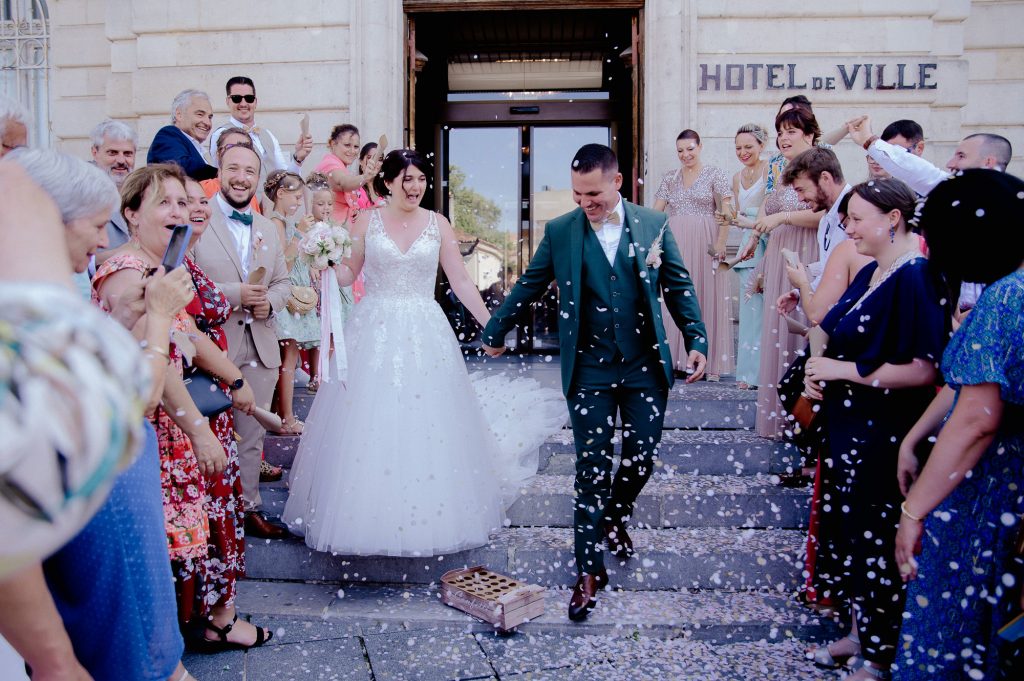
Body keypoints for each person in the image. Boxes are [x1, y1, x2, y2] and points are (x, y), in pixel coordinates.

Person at [282, 149, 564, 558]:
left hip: (424, 329)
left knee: (427, 419)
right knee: (366, 417)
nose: (415, 187)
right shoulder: (366, 220)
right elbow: (349, 273)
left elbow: (462, 281)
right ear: (389, 182)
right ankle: (365, 510)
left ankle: (428, 512)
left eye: (421, 179)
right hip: (373, 328)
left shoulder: (438, 224)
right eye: (407, 179)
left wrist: (492, 324)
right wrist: (324, 263)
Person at [481, 143, 708, 621]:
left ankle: (614, 516)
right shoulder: (562, 230)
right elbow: (529, 282)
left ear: (618, 182)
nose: (586, 202)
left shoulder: (652, 224)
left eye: (594, 193)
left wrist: (696, 339)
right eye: (578, 193)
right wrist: (495, 328)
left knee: (641, 456)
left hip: (645, 365)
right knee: (590, 468)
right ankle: (587, 571)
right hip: (589, 368)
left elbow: (679, 286)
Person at [0, 154, 199, 681]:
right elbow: (139, 397)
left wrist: (127, 315)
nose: (101, 241)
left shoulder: (49, 292)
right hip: (101, 526)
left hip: (115, 509)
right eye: (94, 226)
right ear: (48, 221)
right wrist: (157, 318)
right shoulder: (22, 313)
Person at [802, 178, 949, 680]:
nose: (848, 227)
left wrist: (844, 373)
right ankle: (861, 631)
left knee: (879, 538)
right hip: (848, 429)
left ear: (893, 219)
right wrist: (816, 369)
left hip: (885, 432)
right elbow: (829, 329)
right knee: (853, 537)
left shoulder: (916, 277)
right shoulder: (875, 272)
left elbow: (926, 368)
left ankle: (883, 652)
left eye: (857, 218)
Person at [893, 169, 1024, 680]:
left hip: (996, 489)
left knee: (963, 618)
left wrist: (914, 508)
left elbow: (977, 420)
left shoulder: (1006, 297)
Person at [192, 143, 292, 539]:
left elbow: (283, 283)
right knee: (211, 434)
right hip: (214, 346)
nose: (241, 178)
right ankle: (206, 516)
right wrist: (236, 293)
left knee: (251, 436)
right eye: (233, 169)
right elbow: (187, 280)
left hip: (262, 343)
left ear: (257, 176)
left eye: (249, 171)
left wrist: (270, 301)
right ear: (221, 170)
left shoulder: (267, 227)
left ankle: (248, 508)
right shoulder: (199, 218)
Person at [749, 107, 822, 438]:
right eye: (780, 132)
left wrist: (783, 219)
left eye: (791, 131)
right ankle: (777, 417)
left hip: (806, 251)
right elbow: (768, 208)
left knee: (801, 329)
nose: (783, 138)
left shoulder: (821, 165)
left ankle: (803, 418)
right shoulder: (781, 168)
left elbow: (829, 214)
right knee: (776, 329)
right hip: (778, 253)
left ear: (809, 134)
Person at [653, 129, 734, 380]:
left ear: (700, 147)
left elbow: (726, 212)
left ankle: (711, 363)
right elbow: (656, 214)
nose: (685, 155)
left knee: (706, 295)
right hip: (675, 241)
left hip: (705, 240)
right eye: (680, 151)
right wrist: (654, 245)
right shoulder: (669, 178)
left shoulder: (715, 175)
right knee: (675, 296)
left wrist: (720, 244)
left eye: (689, 149)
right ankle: (677, 357)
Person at [266, 171, 320, 432]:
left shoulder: (284, 221)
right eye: (296, 196)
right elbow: (281, 264)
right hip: (286, 297)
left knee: (289, 358)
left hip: (294, 293)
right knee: (288, 359)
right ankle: (286, 418)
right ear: (280, 193)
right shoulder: (276, 223)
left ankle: (279, 414)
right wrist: (298, 234)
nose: (299, 202)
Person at [722, 123, 769, 389]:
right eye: (738, 147)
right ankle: (747, 373)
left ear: (761, 145)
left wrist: (750, 221)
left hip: (764, 237)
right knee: (748, 309)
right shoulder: (737, 177)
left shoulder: (771, 169)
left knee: (763, 310)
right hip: (745, 241)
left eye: (748, 146)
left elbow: (769, 204)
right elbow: (737, 213)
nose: (743, 152)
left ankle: (763, 371)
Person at [208, 76, 313, 175]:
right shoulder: (221, 135)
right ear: (228, 101)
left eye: (249, 98)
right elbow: (220, 177)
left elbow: (285, 178)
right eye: (236, 98)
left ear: (255, 102)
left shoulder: (268, 135)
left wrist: (298, 158)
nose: (243, 104)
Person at [782, 147, 852, 290]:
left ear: (825, 178)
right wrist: (799, 294)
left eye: (801, 190)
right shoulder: (825, 219)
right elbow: (829, 270)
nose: (800, 199)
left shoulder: (859, 210)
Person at [314, 124, 379, 225]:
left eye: (356, 147)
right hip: (329, 233)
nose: (352, 151)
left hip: (342, 231)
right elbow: (343, 183)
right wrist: (365, 177)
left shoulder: (341, 166)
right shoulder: (330, 164)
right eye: (347, 145)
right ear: (333, 144)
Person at [89, 119, 138, 252]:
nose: (121, 161)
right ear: (95, 153)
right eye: (113, 153)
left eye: (128, 154)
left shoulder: (141, 191)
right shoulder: (82, 193)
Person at [147, 89, 217, 180]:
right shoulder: (168, 134)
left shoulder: (199, 149)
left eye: (210, 117)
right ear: (179, 114)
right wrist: (219, 174)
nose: (208, 122)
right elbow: (180, 165)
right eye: (200, 114)